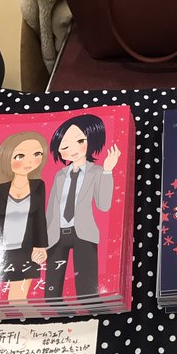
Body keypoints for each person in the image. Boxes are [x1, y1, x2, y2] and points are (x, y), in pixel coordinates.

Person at [44, 114, 120, 298]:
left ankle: (89, 307)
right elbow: (51, 209)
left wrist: (108, 172)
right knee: (52, 287)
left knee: (87, 288)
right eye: (65, 146)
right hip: (55, 234)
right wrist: (42, 240)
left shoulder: (97, 171)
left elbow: (103, 205)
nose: (73, 150)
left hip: (84, 233)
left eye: (80, 141)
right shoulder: (60, 175)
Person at [0, 131, 49, 305]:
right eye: (20, 156)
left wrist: (40, 246)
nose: (30, 162)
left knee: (18, 300)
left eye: (37, 154)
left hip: (25, 252)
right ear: (6, 158)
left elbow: (39, 218)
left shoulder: (38, 186)